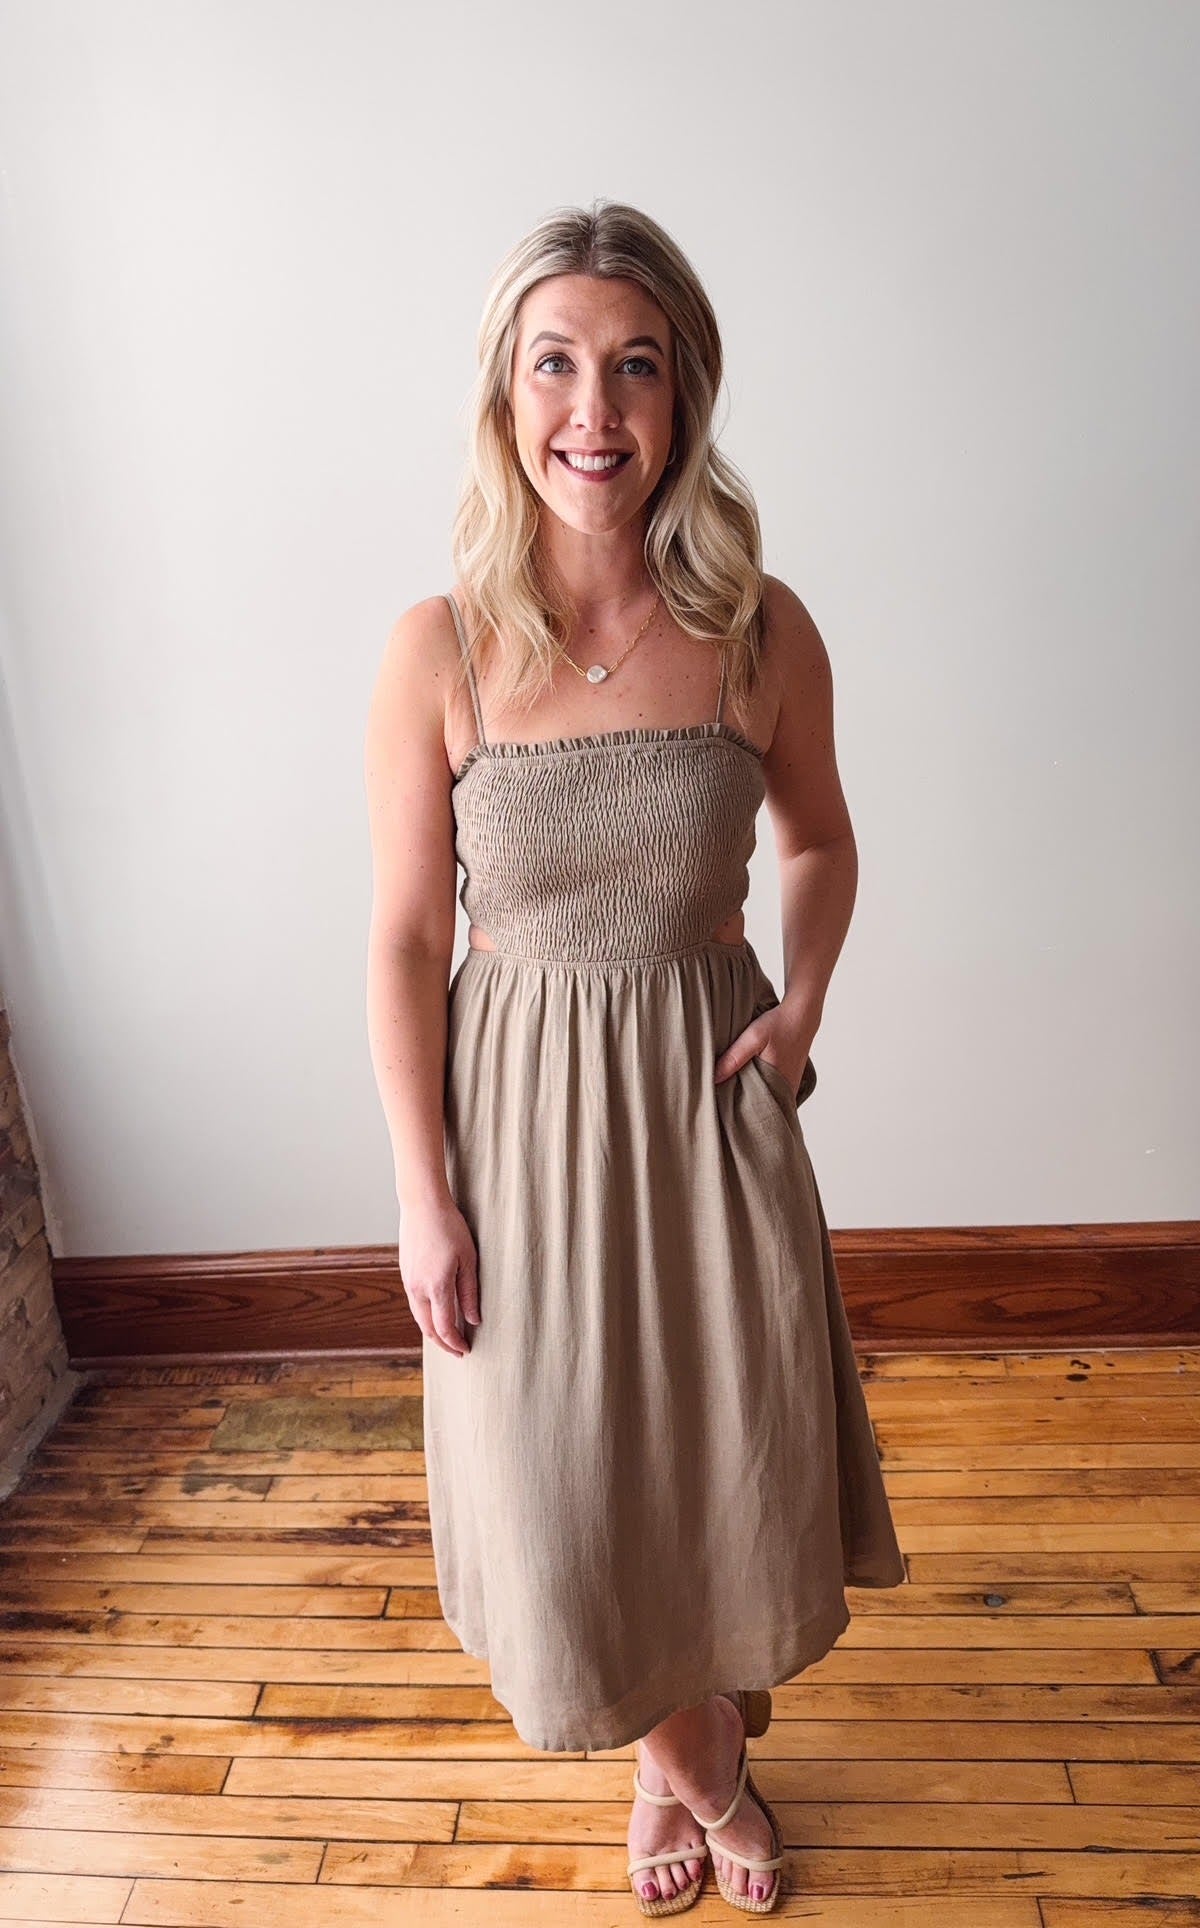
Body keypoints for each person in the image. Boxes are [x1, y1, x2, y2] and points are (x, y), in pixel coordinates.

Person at [364, 199, 905, 1919]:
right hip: (516, 1122)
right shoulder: (438, 649)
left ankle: (678, 1757)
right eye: (556, 364)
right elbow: (399, 940)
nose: (592, 407)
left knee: (710, 1465)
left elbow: (820, 844)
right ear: (506, 395)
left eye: (635, 368)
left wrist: (802, 1003)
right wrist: (419, 1195)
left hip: (704, 1100)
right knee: (570, 1493)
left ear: (682, 401)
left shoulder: (758, 629)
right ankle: (705, 1766)